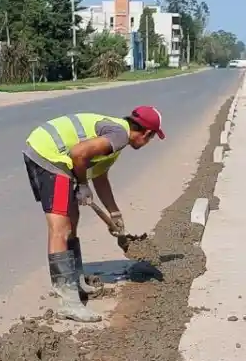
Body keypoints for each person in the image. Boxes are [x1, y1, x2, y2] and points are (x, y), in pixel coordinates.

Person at [23, 106, 165, 322]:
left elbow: (99, 177)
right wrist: (81, 185)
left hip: (54, 154)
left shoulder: (116, 140)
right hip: (50, 156)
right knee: (60, 227)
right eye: (152, 138)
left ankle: (76, 280)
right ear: (146, 133)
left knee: (73, 219)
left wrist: (114, 213)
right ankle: (68, 302)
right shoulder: (118, 136)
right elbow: (78, 153)